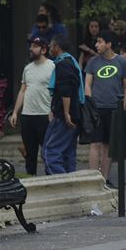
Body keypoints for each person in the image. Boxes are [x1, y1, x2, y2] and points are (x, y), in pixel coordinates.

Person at [83, 31, 126, 186]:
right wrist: (90, 105)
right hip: (96, 108)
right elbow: (87, 84)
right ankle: (92, 179)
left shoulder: (122, 62)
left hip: (114, 108)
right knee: (95, 143)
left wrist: (122, 107)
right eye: (96, 42)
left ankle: (104, 179)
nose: (96, 45)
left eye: (100, 41)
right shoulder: (93, 62)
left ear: (109, 44)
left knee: (108, 145)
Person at [9, 38, 55, 175]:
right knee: (29, 153)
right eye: (31, 46)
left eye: (35, 46)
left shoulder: (53, 66)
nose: (31, 49)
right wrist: (15, 112)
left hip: (45, 115)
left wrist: (53, 111)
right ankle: (31, 179)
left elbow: (56, 92)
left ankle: (51, 180)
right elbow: (22, 91)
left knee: (48, 152)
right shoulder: (27, 68)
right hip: (27, 115)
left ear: (44, 50)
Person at [43, 35, 83, 174]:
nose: (49, 47)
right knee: (68, 153)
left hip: (64, 116)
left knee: (49, 152)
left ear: (57, 47)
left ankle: (61, 182)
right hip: (72, 114)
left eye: (51, 45)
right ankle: (71, 182)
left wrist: (66, 113)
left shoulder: (63, 64)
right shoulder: (70, 62)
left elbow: (66, 90)